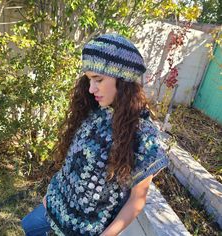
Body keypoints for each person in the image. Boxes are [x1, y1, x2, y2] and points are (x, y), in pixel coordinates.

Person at [21, 33, 169, 236]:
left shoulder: (143, 134)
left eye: (98, 79)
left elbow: (137, 200)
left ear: (123, 80)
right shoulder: (94, 111)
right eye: (89, 79)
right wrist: (51, 194)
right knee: (28, 226)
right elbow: (74, 162)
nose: (91, 88)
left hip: (86, 230)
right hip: (55, 204)